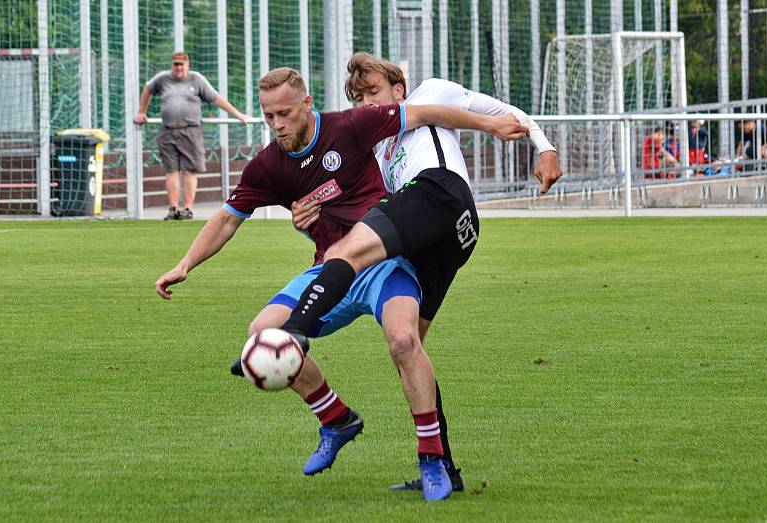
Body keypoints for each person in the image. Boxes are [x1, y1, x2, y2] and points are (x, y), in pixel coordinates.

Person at [154, 67, 528, 501]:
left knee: (405, 341)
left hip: (387, 263)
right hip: (328, 272)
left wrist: (492, 124)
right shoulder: (268, 165)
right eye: (268, 116)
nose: (277, 125)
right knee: (261, 333)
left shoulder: (350, 126)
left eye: (285, 114)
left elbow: (425, 112)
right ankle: (335, 419)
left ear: (307, 104)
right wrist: (185, 265)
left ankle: (431, 458)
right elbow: (226, 219)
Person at [275, 53, 562, 500]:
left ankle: (293, 330)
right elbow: (351, 204)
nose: (368, 102)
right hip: (445, 240)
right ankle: (441, 466)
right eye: (359, 97)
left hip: (439, 193)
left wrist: (543, 146)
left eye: (375, 92)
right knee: (407, 346)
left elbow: (502, 111)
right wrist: (307, 215)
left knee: (346, 252)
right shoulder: (378, 147)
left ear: (399, 90)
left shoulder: (432, 92)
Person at [134, 52, 250, 220]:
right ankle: (173, 208)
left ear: (187, 65)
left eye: (182, 64)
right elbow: (147, 89)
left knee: (190, 171)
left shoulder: (196, 79)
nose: (179, 68)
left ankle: (187, 209)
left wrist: (238, 114)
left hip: (191, 130)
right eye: (176, 64)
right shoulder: (163, 79)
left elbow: (216, 98)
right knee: (171, 170)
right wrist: (141, 112)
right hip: (168, 130)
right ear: (171, 65)